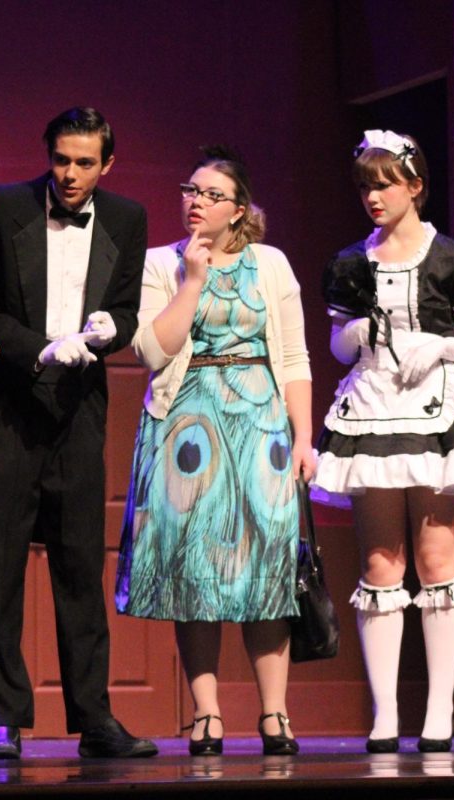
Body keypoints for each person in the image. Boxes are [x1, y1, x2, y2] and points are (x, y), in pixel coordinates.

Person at [0, 106, 156, 759]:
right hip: (8, 407)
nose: (69, 173)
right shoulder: (5, 209)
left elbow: (125, 310)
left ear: (107, 164)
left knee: (79, 563)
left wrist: (107, 332)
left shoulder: (126, 217)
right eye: (61, 159)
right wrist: (39, 350)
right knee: (0, 563)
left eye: (84, 162)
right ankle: (4, 719)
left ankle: (93, 717)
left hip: (78, 412)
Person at [311, 130, 454, 753]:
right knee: (379, 564)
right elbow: (339, 340)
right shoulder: (349, 263)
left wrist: (440, 345)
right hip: (373, 405)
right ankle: (385, 714)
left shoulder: (452, 258)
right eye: (365, 185)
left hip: (435, 406)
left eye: (385, 183)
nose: (374, 196)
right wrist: (359, 337)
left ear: (415, 185)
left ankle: (438, 712)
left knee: (436, 560)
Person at [116, 148, 314, 756]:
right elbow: (154, 350)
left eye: (210, 193)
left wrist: (305, 438)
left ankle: (275, 714)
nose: (194, 201)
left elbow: (293, 358)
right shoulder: (160, 265)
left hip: (261, 429)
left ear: (238, 209)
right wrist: (193, 281)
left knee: (267, 575)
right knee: (193, 575)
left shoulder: (271, 264)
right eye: (190, 189)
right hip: (186, 431)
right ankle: (206, 714)